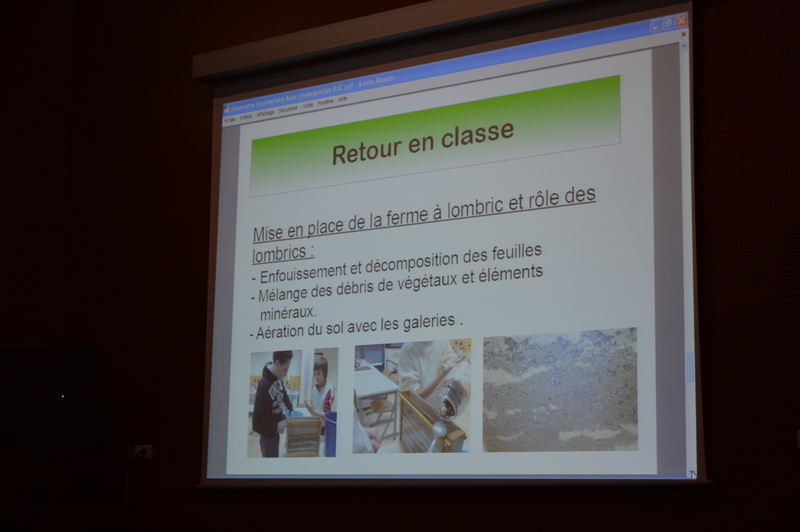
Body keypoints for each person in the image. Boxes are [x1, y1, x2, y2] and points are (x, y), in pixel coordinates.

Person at [252, 350, 294, 457]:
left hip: (275, 434)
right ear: (277, 363)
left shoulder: (278, 379)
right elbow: (256, 424)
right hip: (267, 438)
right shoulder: (263, 386)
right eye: (285, 370)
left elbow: (284, 394)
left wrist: (291, 409)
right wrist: (275, 427)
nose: (286, 374)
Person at [397, 341, 462, 399]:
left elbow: (449, 382)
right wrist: (443, 374)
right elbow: (412, 396)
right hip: (417, 406)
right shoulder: (408, 349)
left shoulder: (443, 342)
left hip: (440, 405)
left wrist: (460, 363)